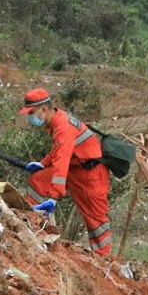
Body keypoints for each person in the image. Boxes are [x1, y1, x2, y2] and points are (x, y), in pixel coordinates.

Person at [18, 89, 113, 255]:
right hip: (74, 169)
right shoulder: (57, 119)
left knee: (96, 220)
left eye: (32, 113)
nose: (31, 117)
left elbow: (61, 160)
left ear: (44, 109)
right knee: (38, 180)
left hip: (91, 175)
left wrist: (54, 197)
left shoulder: (63, 127)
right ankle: (32, 223)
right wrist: (43, 164)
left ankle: (104, 259)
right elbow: (59, 150)